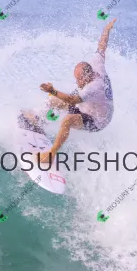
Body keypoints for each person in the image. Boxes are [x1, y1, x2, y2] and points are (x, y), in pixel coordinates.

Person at [33, 18, 117, 164]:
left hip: (97, 120)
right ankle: (37, 121)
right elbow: (102, 46)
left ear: (86, 77)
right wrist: (106, 30)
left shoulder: (93, 88)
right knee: (53, 100)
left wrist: (52, 90)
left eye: (78, 79)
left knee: (67, 120)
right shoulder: (96, 63)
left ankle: (51, 155)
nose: (77, 82)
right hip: (87, 107)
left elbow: (71, 100)